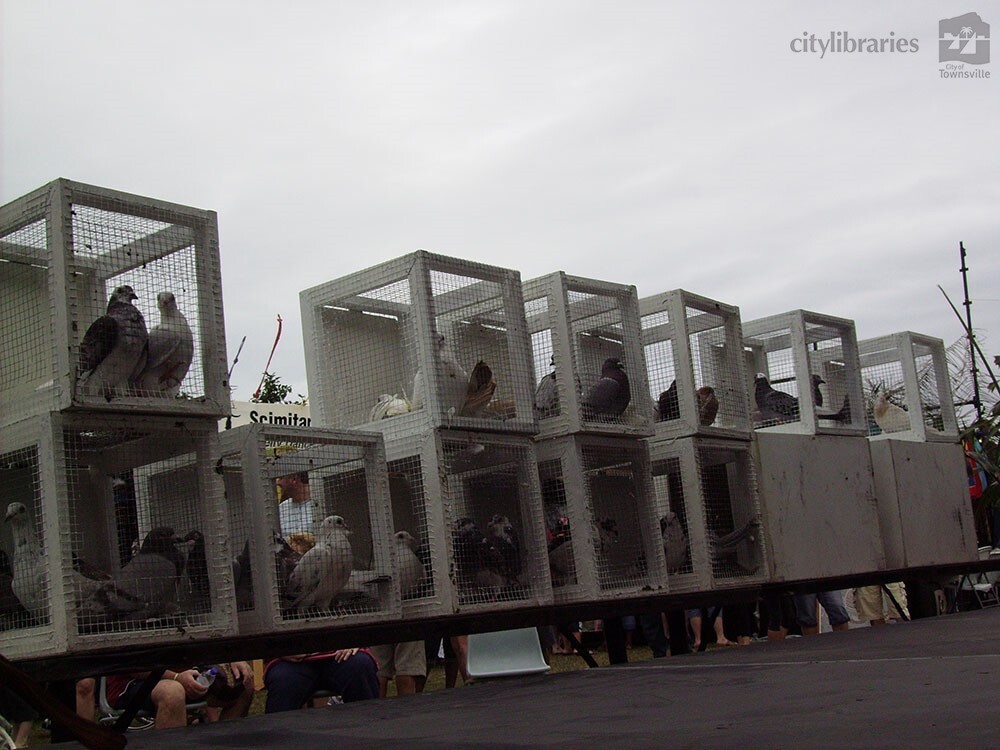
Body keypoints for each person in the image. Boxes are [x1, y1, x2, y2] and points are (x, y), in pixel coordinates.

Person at [105, 662, 254, 729]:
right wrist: (176, 677)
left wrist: (233, 658)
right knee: (173, 692)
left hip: (189, 675)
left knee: (244, 684)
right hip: (133, 682)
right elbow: (130, 664)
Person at [263, 648, 379, 712]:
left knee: (360, 665)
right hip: (290, 660)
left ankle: (370, 734)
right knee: (284, 680)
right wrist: (279, 648)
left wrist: (354, 639)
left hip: (339, 653)